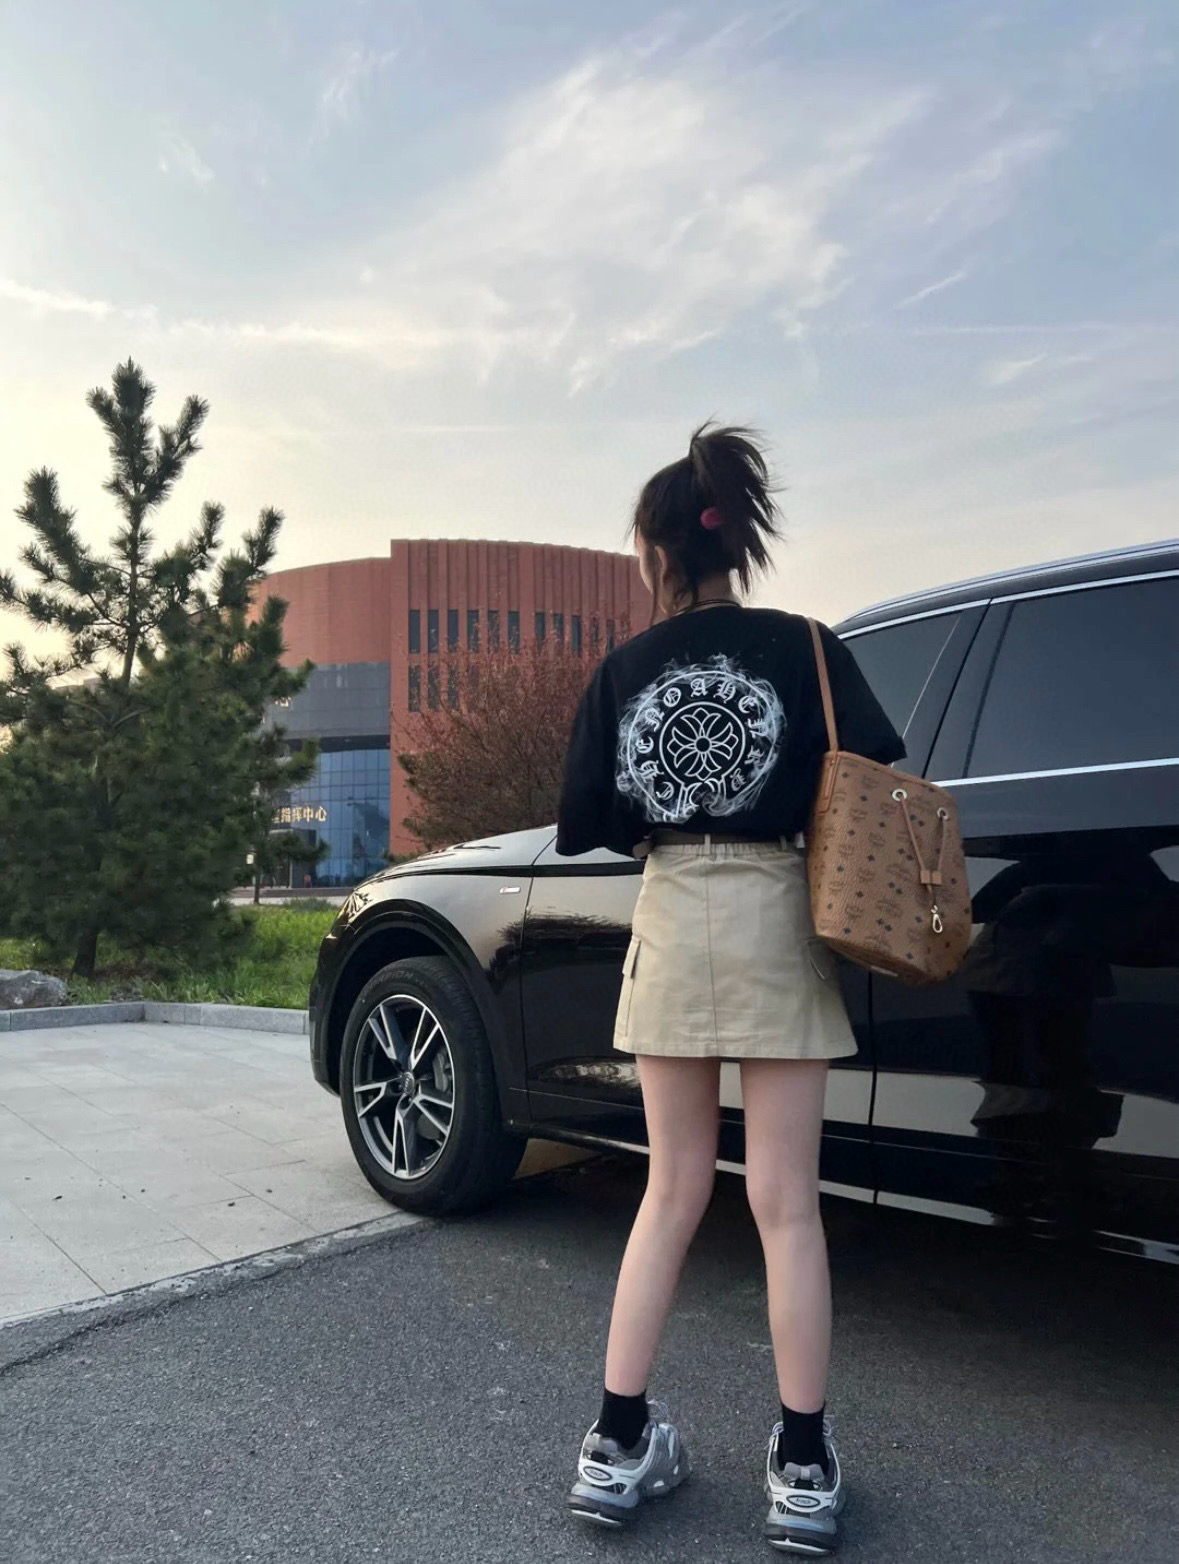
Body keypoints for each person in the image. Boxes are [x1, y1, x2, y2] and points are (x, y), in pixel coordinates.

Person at [555, 425, 904, 1554]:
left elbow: (589, 821)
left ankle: (615, 1445)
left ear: (658, 552)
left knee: (671, 1190)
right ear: (732, 541)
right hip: (775, 909)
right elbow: (873, 778)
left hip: (671, 913)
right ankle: (801, 1469)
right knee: (786, 1203)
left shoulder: (623, 671)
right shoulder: (806, 647)